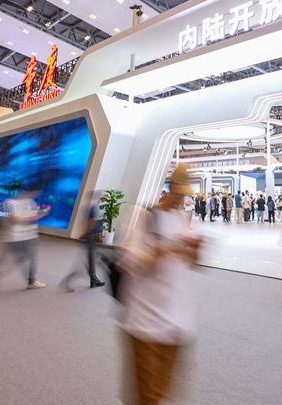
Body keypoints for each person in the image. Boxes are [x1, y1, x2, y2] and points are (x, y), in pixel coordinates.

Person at [118, 164, 202, 405]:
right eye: (178, 192)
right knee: (148, 395)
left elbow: (193, 263)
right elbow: (128, 264)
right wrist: (160, 250)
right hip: (145, 323)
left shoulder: (183, 219)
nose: (181, 198)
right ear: (169, 188)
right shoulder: (145, 216)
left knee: (164, 389)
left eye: (185, 194)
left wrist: (195, 248)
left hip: (177, 324)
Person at [0, 187, 47, 293]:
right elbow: (17, 220)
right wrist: (40, 215)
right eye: (34, 192)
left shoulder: (29, 202)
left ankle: (31, 281)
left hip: (25, 236)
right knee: (12, 261)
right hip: (15, 238)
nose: (35, 194)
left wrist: (36, 214)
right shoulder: (11, 203)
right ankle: (31, 281)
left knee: (24, 258)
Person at [61, 195, 106, 291]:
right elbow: (92, 221)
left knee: (89, 260)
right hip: (92, 235)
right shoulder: (94, 207)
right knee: (85, 261)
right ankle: (65, 282)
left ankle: (94, 280)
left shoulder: (89, 206)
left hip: (91, 236)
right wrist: (87, 232)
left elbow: (88, 221)